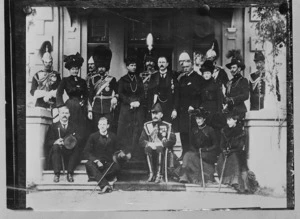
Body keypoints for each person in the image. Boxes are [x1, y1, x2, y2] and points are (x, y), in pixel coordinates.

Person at [84, 117, 130, 193]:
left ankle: (96, 177)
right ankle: (104, 185)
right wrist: (96, 161)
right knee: (89, 163)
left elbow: (119, 149)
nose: (102, 126)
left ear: (108, 126)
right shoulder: (93, 136)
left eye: (104, 124)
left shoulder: (113, 136)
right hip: (97, 164)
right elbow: (86, 152)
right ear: (98, 126)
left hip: (108, 164)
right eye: (100, 124)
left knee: (117, 166)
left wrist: (120, 153)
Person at [216, 111, 259, 193]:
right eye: (227, 120)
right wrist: (224, 150)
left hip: (237, 152)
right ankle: (227, 180)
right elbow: (221, 145)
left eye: (230, 120)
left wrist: (231, 151)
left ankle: (235, 181)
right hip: (226, 153)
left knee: (234, 159)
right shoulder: (224, 131)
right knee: (221, 159)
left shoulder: (241, 132)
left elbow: (240, 146)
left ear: (235, 120)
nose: (228, 122)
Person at [179, 108, 219, 185]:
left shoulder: (210, 130)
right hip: (197, 153)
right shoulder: (194, 130)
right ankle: (184, 176)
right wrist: (196, 151)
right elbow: (191, 144)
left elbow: (215, 145)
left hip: (207, 155)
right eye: (196, 118)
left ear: (204, 119)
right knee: (187, 155)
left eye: (200, 118)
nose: (198, 120)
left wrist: (206, 149)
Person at [139, 103, 176, 183]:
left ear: (161, 115)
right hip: (151, 150)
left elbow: (173, 140)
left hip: (163, 151)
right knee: (147, 148)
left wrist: (162, 144)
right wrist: (149, 144)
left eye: (157, 113)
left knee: (159, 148)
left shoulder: (167, 126)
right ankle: (151, 174)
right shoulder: (147, 126)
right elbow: (141, 141)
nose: (154, 115)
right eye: (153, 113)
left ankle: (159, 175)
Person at [177, 51, 204, 159]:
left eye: (187, 67)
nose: (185, 69)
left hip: (192, 110)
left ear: (191, 65)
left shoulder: (198, 78)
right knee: (183, 132)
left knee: (192, 132)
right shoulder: (182, 79)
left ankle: (192, 153)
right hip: (183, 110)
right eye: (184, 67)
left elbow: (199, 94)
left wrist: (193, 105)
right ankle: (184, 152)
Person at [117, 56, 144, 160]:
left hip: (138, 107)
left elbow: (142, 93)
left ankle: (136, 152)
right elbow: (120, 94)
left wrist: (138, 101)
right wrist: (130, 102)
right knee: (125, 129)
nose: (134, 67)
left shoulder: (139, 79)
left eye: (135, 65)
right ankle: (125, 151)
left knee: (138, 128)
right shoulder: (123, 80)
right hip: (126, 107)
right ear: (127, 67)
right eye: (131, 65)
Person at [45, 106, 82, 183]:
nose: (64, 115)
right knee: (55, 147)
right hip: (58, 153)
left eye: (66, 113)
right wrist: (56, 141)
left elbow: (79, 139)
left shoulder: (74, 126)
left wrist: (68, 141)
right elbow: (48, 142)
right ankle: (57, 174)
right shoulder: (53, 126)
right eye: (62, 113)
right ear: (59, 114)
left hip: (70, 152)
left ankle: (70, 173)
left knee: (76, 148)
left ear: (69, 115)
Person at [56, 53, 88, 138]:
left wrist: (83, 101)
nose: (75, 71)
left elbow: (86, 95)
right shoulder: (65, 80)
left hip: (80, 107)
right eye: (73, 69)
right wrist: (61, 106)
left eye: (76, 69)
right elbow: (59, 93)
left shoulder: (82, 81)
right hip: (70, 105)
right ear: (69, 70)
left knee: (81, 127)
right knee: (71, 125)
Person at [87, 46, 118, 133]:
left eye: (103, 67)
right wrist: (89, 110)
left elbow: (117, 93)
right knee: (96, 129)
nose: (101, 69)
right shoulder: (93, 79)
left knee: (109, 129)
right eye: (99, 67)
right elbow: (90, 96)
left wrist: (115, 97)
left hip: (108, 108)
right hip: (96, 108)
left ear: (106, 67)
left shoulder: (112, 79)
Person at [200, 60, 226, 147]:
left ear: (211, 73)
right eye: (204, 73)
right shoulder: (201, 85)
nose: (206, 75)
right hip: (204, 110)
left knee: (214, 131)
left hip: (214, 110)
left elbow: (220, 99)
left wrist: (219, 111)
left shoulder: (216, 84)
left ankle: (215, 150)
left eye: (208, 73)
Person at [148, 56, 179, 126]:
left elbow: (177, 94)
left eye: (163, 62)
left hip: (169, 107)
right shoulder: (153, 77)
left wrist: (175, 109)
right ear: (157, 64)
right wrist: (150, 108)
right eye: (160, 62)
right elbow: (150, 94)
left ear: (167, 64)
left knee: (169, 128)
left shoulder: (173, 76)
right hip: (157, 107)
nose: (161, 64)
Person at [30, 41, 61, 108]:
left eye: (49, 62)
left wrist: (51, 94)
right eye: (46, 62)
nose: (47, 64)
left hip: (54, 103)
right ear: (43, 62)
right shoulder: (37, 75)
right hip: (41, 103)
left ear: (52, 62)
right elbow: (32, 91)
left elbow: (60, 89)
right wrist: (43, 93)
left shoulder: (57, 75)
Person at [224, 50, 249, 120]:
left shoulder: (243, 81)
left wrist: (233, 99)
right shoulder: (230, 82)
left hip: (239, 111)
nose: (232, 70)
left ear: (239, 69)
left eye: (234, 67)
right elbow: (227, 95)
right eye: (231, 68)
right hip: (229, 111)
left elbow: (246, 95)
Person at [139, 54, 158, 121]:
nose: (149, 63)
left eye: (151, 61)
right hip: (143, 99)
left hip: (154, 98)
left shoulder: (157, 74)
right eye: (147, 61)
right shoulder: (141, 74)